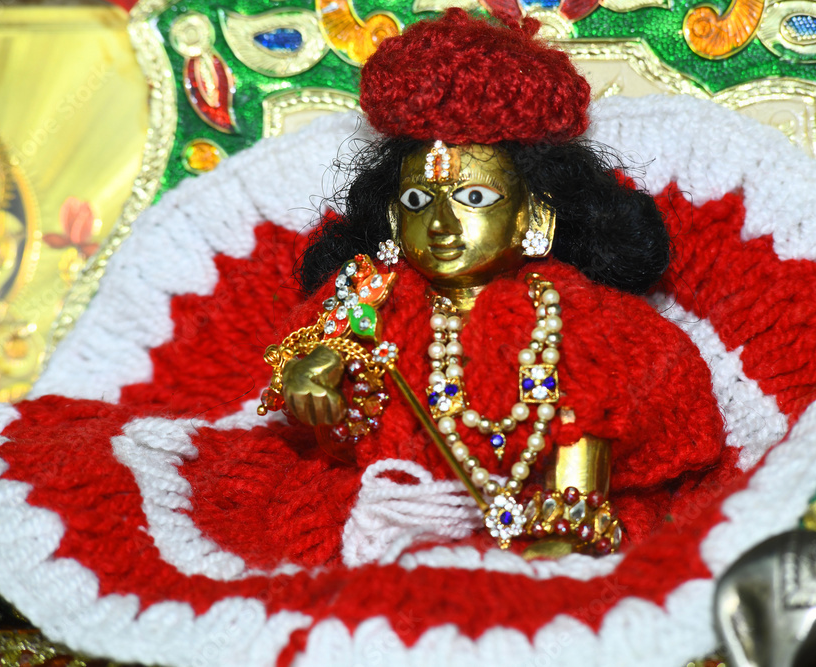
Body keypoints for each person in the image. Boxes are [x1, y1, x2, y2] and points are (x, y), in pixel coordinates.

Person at [262, 8, 726, 558]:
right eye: (417, 201)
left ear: (536, 218)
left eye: (474, 198)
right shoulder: (373, 293)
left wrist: (569, 516)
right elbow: (318, 356)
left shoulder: (577, 316)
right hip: (388, 516)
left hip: (555, 530)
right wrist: (318, 374)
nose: (440, 225)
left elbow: (602, 406)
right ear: (391, 217)